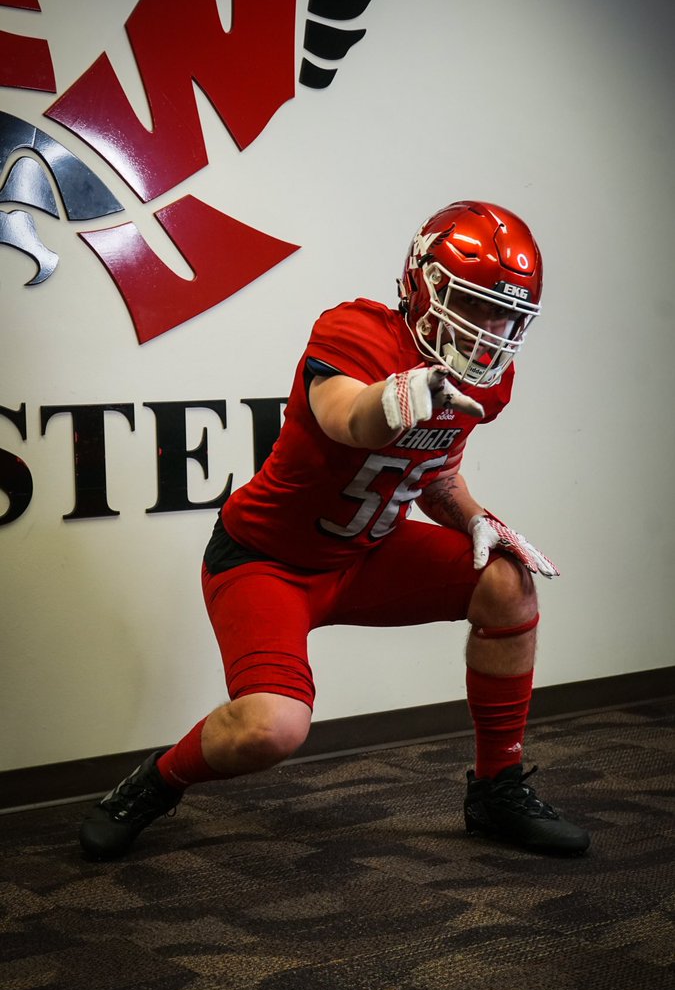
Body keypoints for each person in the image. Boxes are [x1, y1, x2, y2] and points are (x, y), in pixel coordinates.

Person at [79, 200, 590, 860]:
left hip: (366, 552)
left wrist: (475, 520)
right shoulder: (356, 330)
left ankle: (496, 790)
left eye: (504, 312)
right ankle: (155, 781)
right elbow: (343, 417)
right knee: (270, 730)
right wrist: (400, 395)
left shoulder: (486, 377)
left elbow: (432, 473)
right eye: (472, 304)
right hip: (267, 562)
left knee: (506, 583)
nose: (489, 328)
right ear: (422, 284)